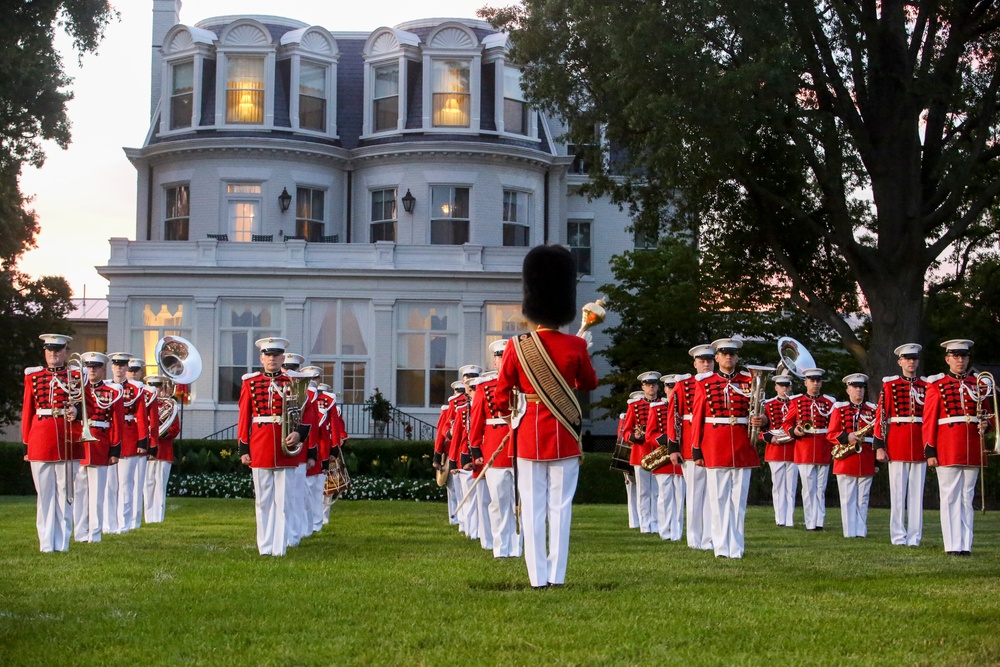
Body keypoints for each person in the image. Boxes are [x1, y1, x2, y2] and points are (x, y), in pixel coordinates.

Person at [495, 245, 598, 588]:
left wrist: (515, 407)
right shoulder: (576, 346)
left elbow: (499, 395)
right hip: (565, 433)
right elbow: (589, 383)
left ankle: (537, 577)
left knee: (534, 508)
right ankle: (558, 575)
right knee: (561, 509)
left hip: (528, 434)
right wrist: (583, 352)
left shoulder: (516, 346)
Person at [238, 337, 315, 557]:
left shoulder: (294, 381)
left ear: (282, 358)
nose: (272, 359)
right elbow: (244, 416)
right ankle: (265, 547)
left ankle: (279, 548)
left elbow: (308, 411)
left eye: (276, 355)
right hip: (260, 444)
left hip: (286, 445)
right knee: (263, 500)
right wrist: (244, 448)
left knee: (284, 501)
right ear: (261, 358)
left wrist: (299, 434)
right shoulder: (250, 382)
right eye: (268, 355)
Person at [689, 338, 762, 559]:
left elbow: (762, 410)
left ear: (737, 357)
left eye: (732, 354)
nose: (728, 357)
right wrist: (696, 450)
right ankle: (721, 548)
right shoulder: (704, 382)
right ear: (717, 357)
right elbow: (698, 417)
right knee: (718, 500)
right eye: (724, 354)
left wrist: (763, 421)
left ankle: (736, 548)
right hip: (715, 445)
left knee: (738, 502)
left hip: (742, 444)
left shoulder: (751, 382)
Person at [923, 339, 995, 556]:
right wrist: (930, 450)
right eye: (955, 356)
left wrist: (986, 424)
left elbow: (989, 415)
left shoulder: (979, 384)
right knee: (950, 496)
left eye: (963, 356)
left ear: (968, 358)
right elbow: (928, 421)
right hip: (948, 445)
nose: (960, 360)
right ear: (947, 359)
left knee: (967, 495)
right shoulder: (937, 385)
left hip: (972, 444)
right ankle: (952, 544)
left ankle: (966, 544)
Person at [23, 333, 81, 553]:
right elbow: (27, 410)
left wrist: (77, 411)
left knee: (66, 495)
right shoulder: (33, 376)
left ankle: (62, 543)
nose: (53, 353)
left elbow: (89, 406)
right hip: (40, 438)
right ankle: (46, 544)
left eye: (58, 349)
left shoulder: (76, 375)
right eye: (49, 349)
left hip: (68, 437)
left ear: (65, 352)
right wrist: (26, 443)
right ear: (45, 352)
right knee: (45, 496)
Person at [468, 339, 521, 558]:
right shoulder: (485, 387)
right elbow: (476, 420)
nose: (502, 360)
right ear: (495, 361)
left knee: (521, 504)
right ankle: (501, 548)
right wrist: (476, 450)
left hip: (520, 448)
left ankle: (518, 547)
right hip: (495, 450)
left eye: (507, 356)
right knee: (499, 502)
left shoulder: (524, 385)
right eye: (500, 357)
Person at [872, 343, 928, 546]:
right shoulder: (890, 385)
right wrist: (879, 445)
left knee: (917, 495)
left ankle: (914, 538)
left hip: (920, 442)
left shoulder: (926, 385)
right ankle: (897, 536)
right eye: (907, 359)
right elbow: (881, 416)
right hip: (897, 442)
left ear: (918, 361)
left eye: (914, 359)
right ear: (900, 362)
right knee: (897, 494)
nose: (911, 362)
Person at [667, 344, 716, 551]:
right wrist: (673, 447)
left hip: (713, 443)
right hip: (689, 444)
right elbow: (673, 417)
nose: (706, 364)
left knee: (713, 494)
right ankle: (695, 539)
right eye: (702, 361)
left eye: (709, 360)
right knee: (695, 493)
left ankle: (711, 537)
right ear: (694, 363)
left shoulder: (719, 383)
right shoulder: (683, 384)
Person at [73, 352, 124, 543]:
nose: (91, 369)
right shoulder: (75, 389)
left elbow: (117, 424)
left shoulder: (112, 391)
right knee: (79, 492)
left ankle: (94, 534)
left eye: (95, 366)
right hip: (79, 444)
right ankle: (79, 533)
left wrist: (114, 450)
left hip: (100, 444)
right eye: (88, 366)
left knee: (97, 493)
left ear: (103, 369)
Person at [782, 368, 836, 531]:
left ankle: (819, 520)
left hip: (823, 445)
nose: (815, 384)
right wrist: (794, 432)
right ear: (805, 382)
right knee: (808, 487)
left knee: (821, 486)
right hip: (804, 446)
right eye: (812, 381)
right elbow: (786, 423)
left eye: (818, 381)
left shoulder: (829, 402)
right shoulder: (797, 401)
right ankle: (810, 521)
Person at [828, 373, 878, 538]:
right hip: (846, 458)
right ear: (848, 389)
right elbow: (830, 434)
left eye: (861, 387)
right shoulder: (839, 408)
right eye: (855, 387)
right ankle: (849, 532)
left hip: (866, 456)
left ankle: (861, 531)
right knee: (848, 498)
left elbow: (878, 435)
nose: (858, 390)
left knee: (863, 498)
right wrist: (847, 437)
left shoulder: (873, 409)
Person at [108, 352, 149, 533]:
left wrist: (142, 442)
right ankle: (108, 524)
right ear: (111, 367)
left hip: (129, 437)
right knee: (109, 485)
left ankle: (124, 524)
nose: (119, 368)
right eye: (116, 365)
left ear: (126, 368)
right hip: (109, 437)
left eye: (123, 365)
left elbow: (141, 416)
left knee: (125, 484)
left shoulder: (135, 389)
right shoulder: (106, 388)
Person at [646, 374, 684, 541]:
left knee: (680, 497)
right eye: (669, 388)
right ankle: (664, 530)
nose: (671, 391)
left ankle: (677, 532)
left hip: (681, 458)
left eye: (674, 387)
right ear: (665, 389)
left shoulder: (684, 407)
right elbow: (650, 435)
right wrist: (668, 441)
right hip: (664, 459)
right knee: (664, 496)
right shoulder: (656, 408)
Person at [622, 371, 661, 533]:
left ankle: (657, 523)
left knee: (658, 491)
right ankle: (645, 524)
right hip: (641, 452)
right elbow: (626, 431)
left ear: (658, 386)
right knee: (644, 491)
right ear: (643, 387)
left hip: (660, 452)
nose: (650, 387)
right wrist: (634, 436)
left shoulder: (663, 404)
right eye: (647, 384)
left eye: (653, 384)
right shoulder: (635, 406)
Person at [761, 375, 796, 527]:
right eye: (781, 386)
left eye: (787, 386)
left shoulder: (796, 403)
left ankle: (789, 519)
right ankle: (780, 518)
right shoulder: (767, 404)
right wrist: (769, 438)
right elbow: (759, 428)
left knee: (791, 486)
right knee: (778, 486)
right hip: (774, 449)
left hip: (793, 448)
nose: (784, 389)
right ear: (775, 387)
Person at [143, 375, 179, 524]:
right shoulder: (143, 404)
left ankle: (158, 518)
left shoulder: (170, 405)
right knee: (147, 484)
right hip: (147, 451)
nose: (155, 390)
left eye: (157, 387)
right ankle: (148, 517)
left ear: (161, 388)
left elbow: (175, 429)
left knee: (160, 485)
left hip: (163, 450)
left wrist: (159, 433)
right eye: (152, 387)